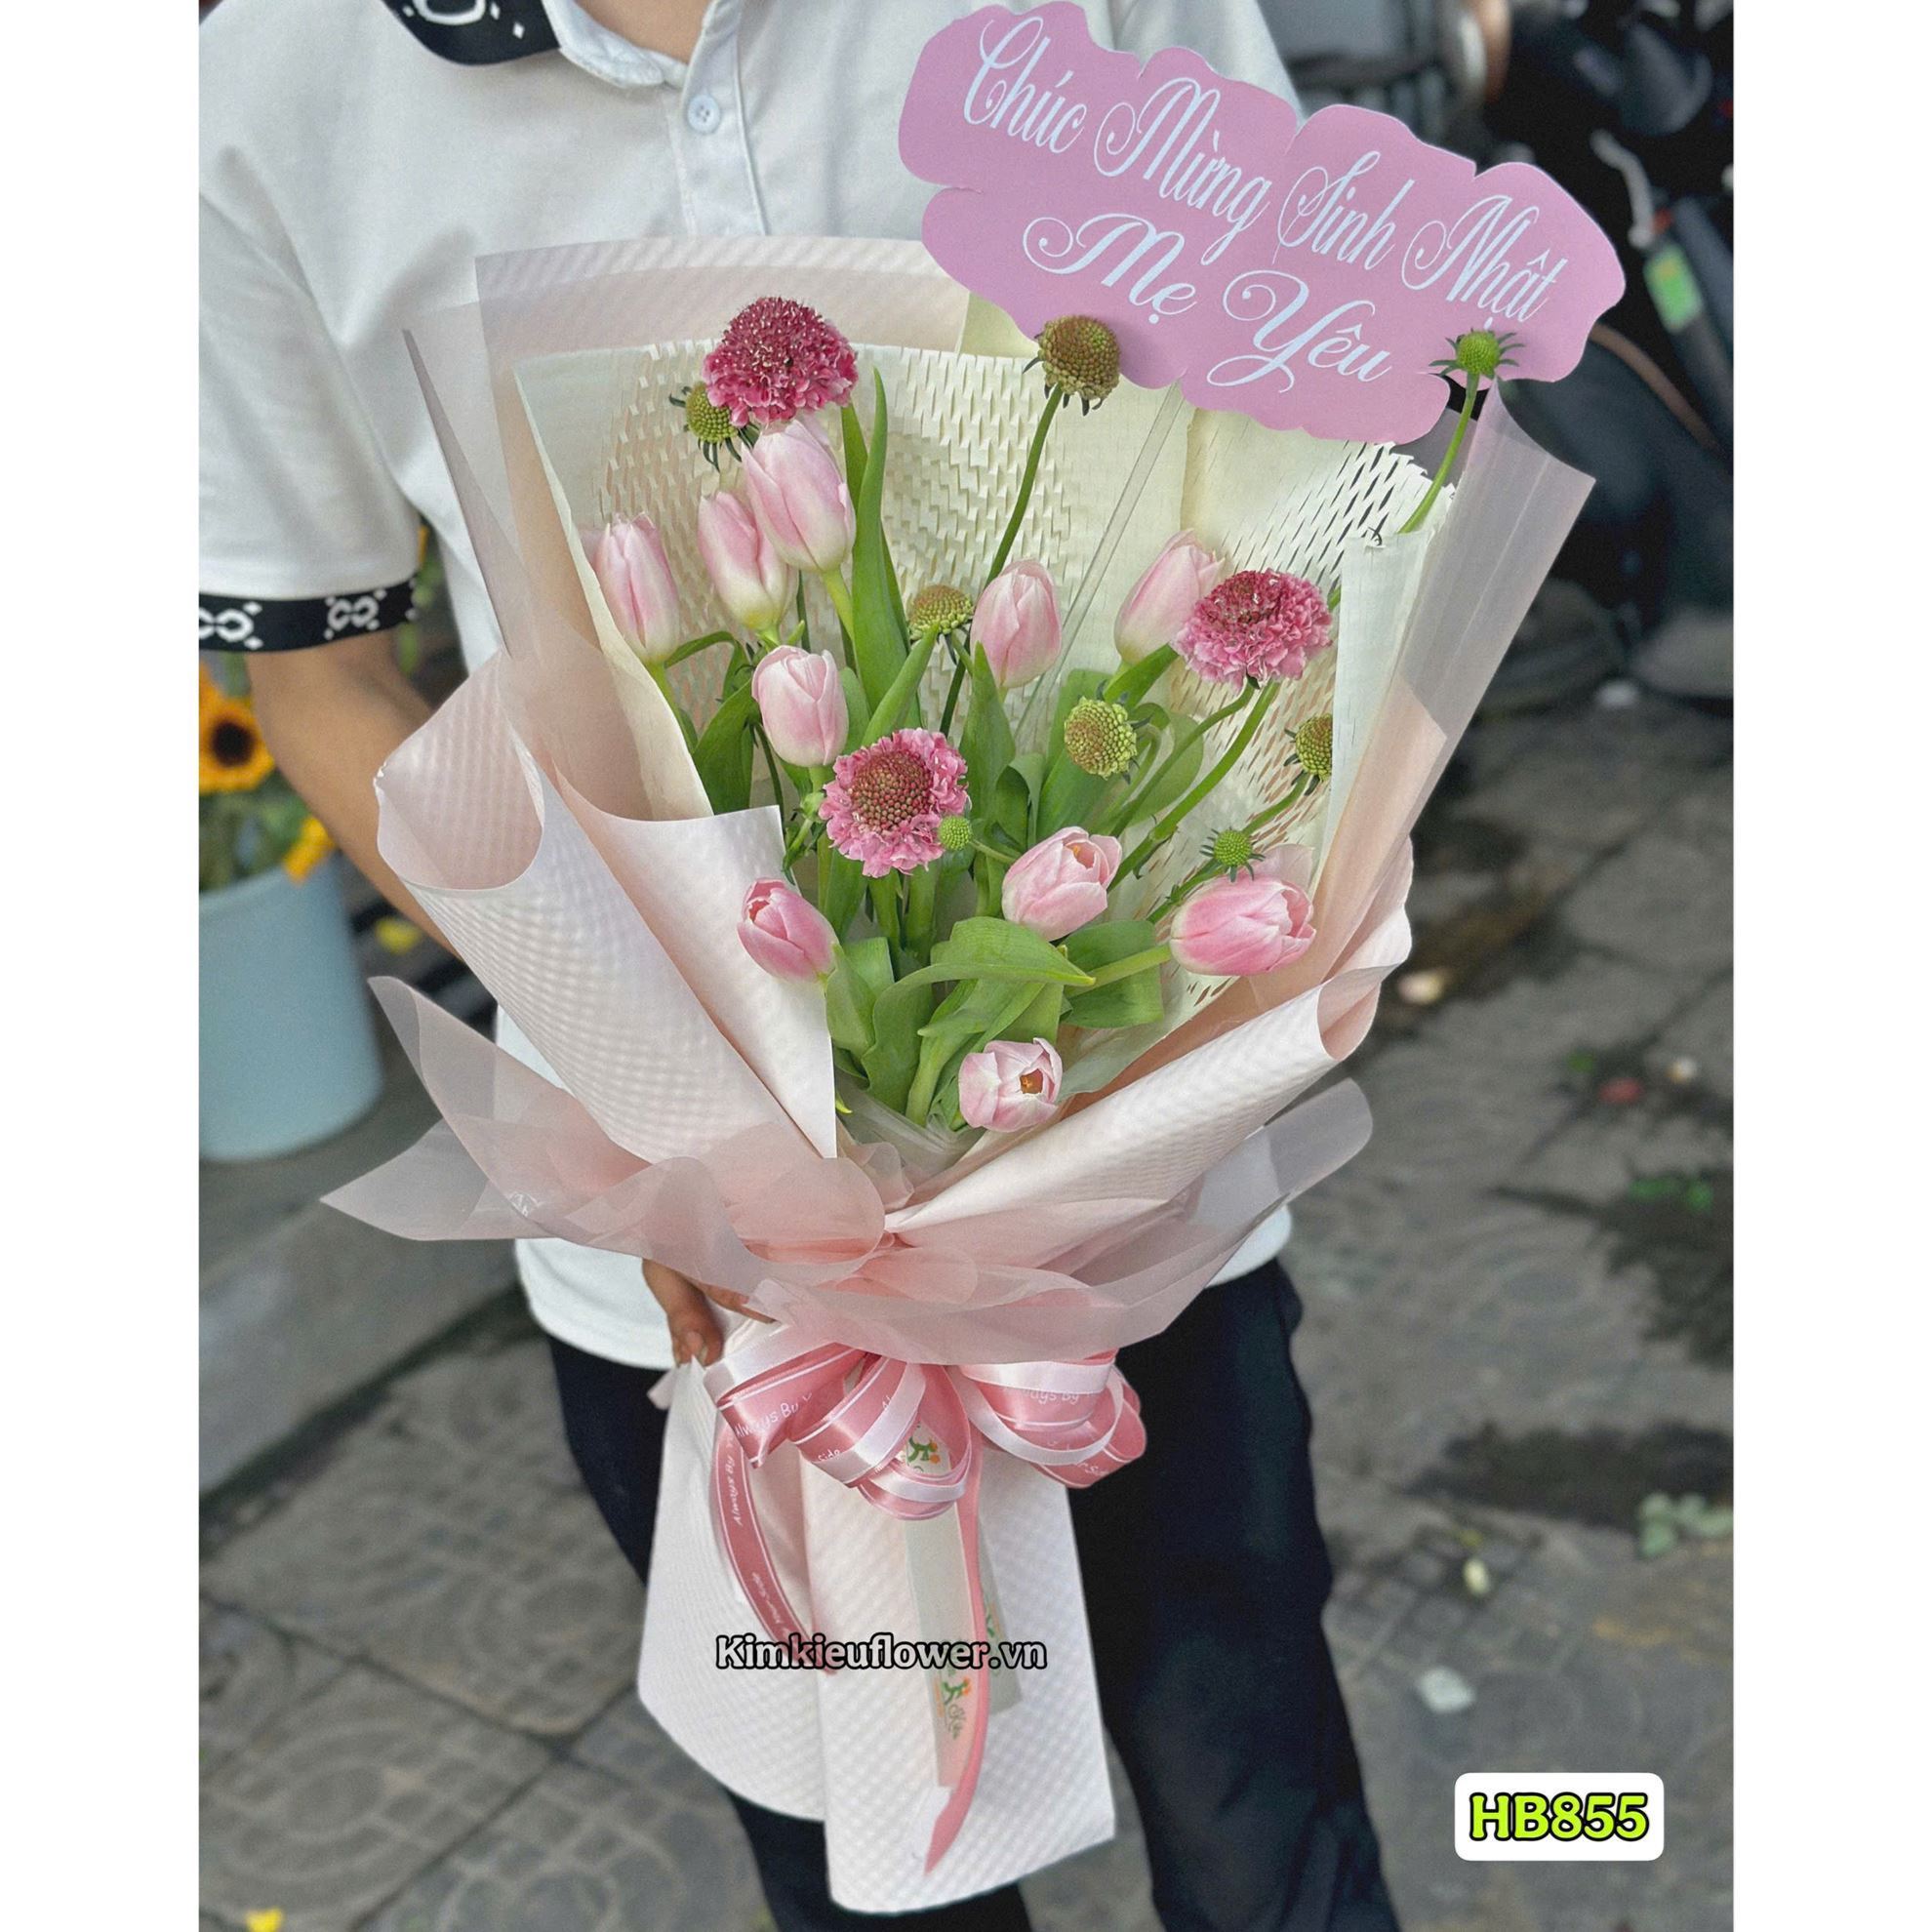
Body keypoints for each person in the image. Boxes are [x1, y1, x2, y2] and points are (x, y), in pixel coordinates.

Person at [200, 3, 1400, 1925]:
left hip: (1122, 1143)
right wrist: (677, 1110)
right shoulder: (270, 84)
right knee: (870, 1862)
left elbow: (1279, 424)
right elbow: (321, 673)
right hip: (699, 1254)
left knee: (1257, 1790)